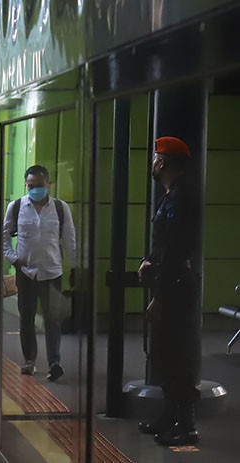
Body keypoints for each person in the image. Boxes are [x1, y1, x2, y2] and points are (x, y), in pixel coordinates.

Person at [137, 137, 200, 446]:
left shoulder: (180, 198)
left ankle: (186, 425)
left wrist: (158, 298)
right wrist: (149, 260)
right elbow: (163, 246)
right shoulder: (170, 196)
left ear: (162, 162)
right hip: (169, 283)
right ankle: (170, 415)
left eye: (154, 157)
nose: (152, 163)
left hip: (174, 289)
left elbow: (175, 252)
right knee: (163, 356)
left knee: (176, 358)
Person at [3, 165, 76, 381]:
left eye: (39, 185)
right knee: (26, 318)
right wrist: (13, 258)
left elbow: (70, 239)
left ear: (48, 183)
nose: (35, 189)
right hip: (26, 273)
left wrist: (75, 266)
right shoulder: (16, 207)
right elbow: (4, 236)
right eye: (30, 186)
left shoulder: (61, 209)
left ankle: (54, 362)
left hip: (52, 272)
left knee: (53, 320)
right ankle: (29, 360)